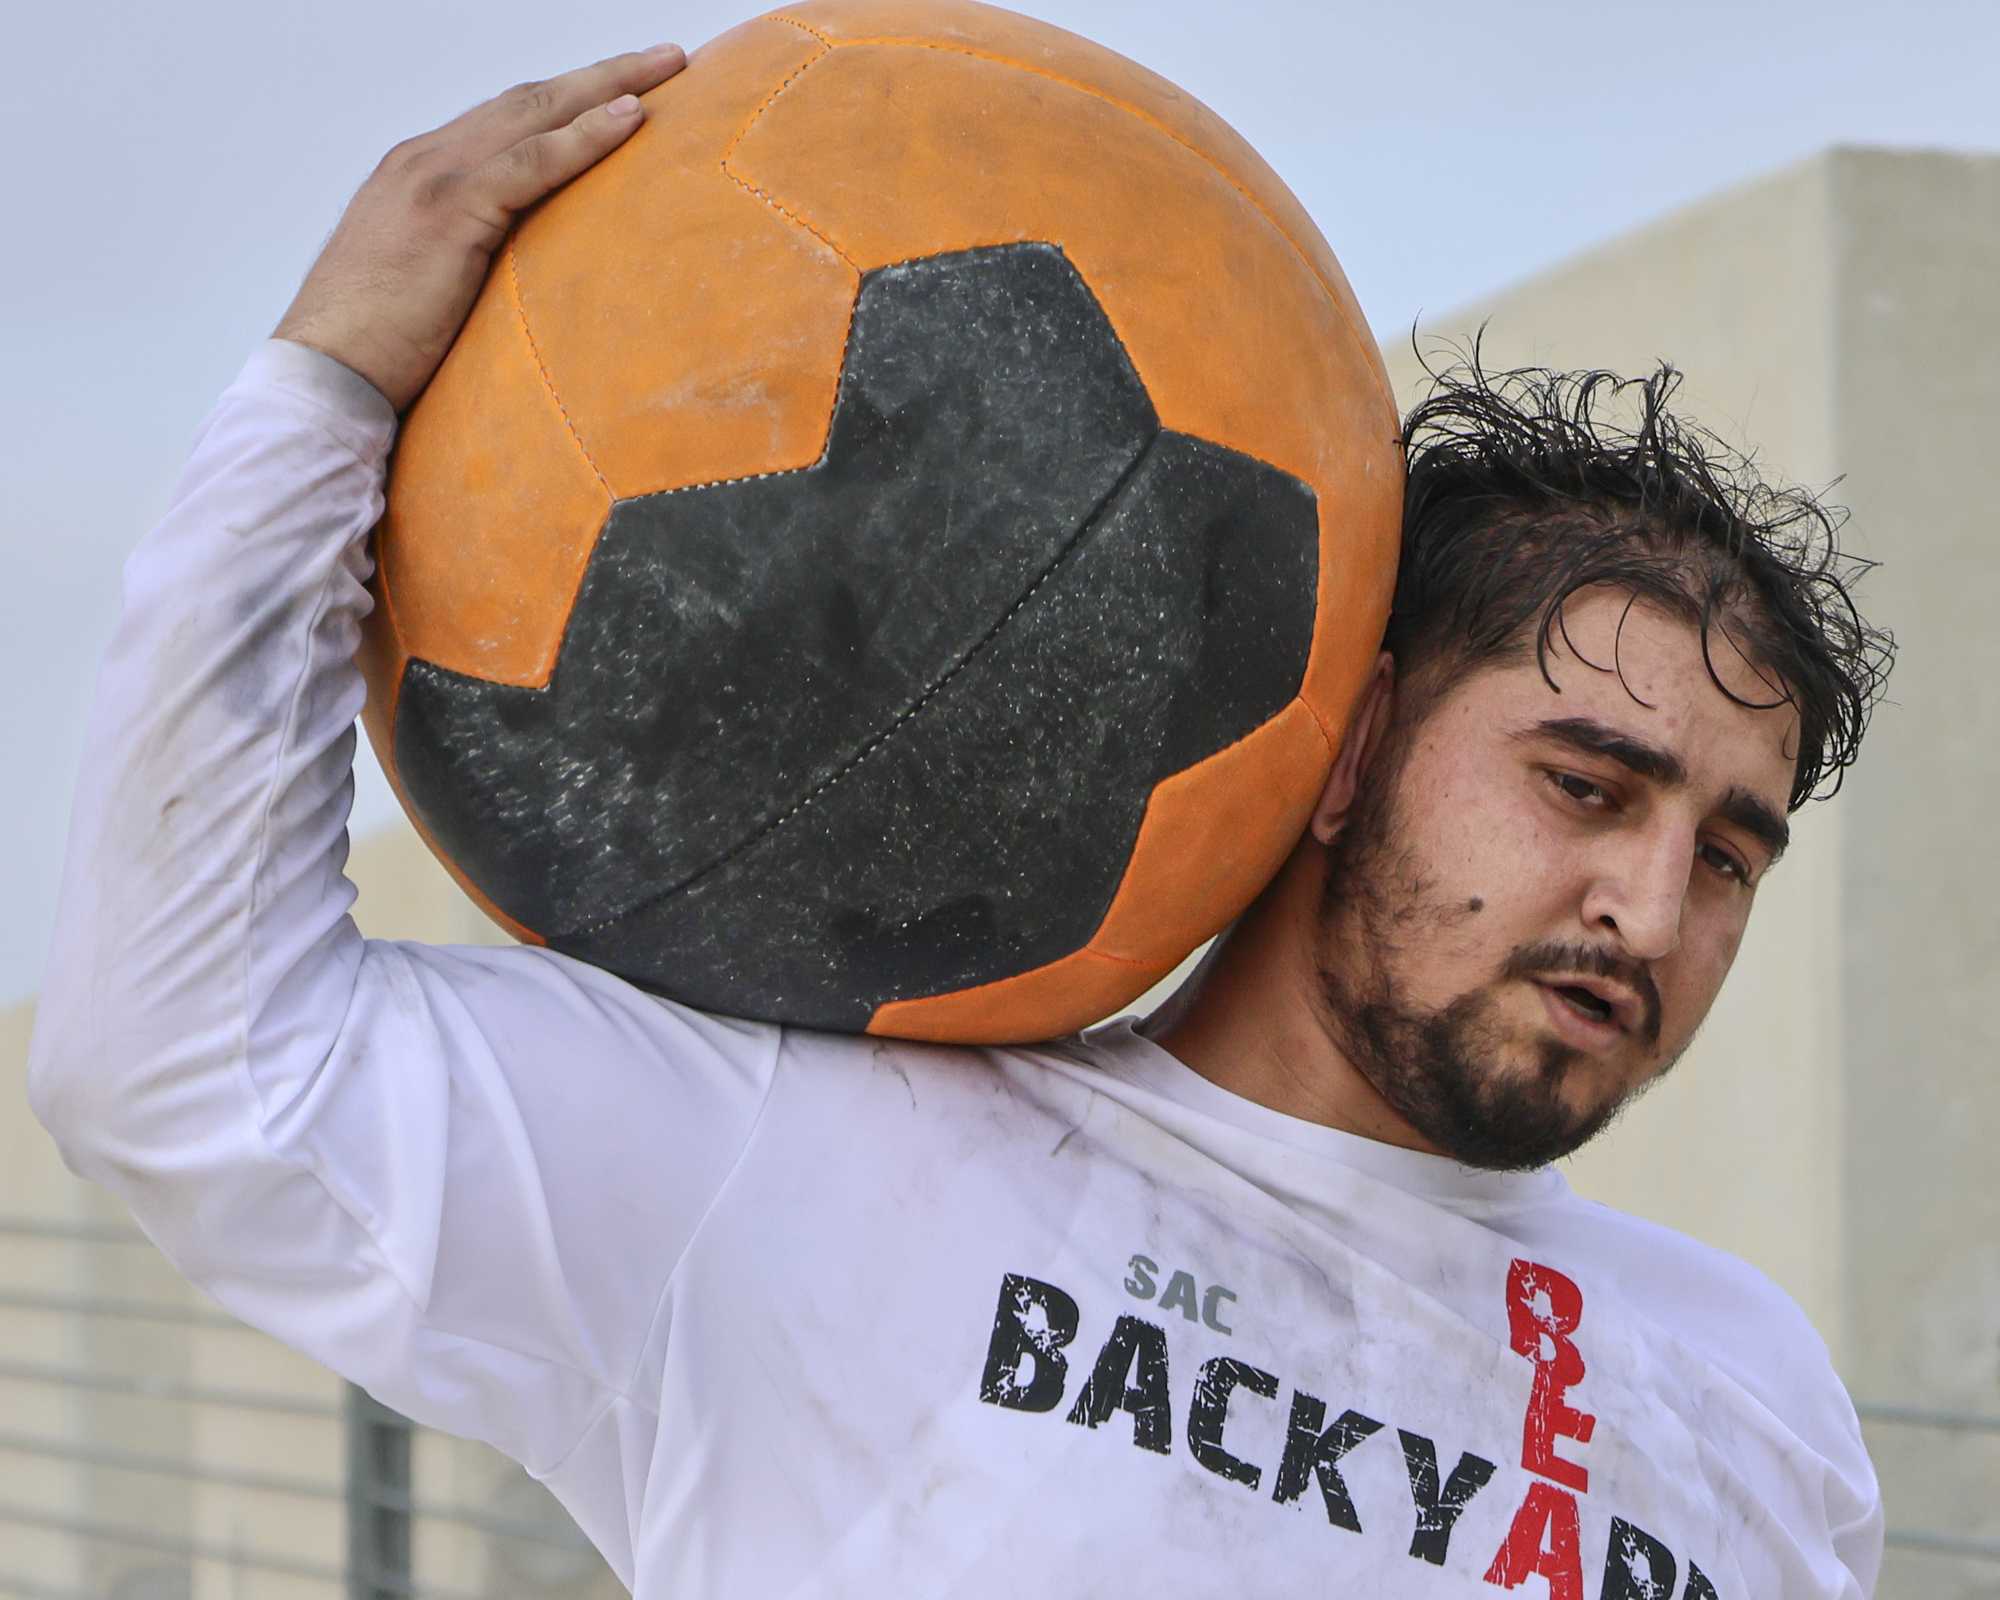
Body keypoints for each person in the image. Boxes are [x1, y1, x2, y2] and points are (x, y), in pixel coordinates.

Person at [28, 43, 1895, 1600]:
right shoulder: (796, 1168)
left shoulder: (1755, 1401)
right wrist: (324, 391)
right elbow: (187, 1060)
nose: (1651, 911)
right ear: (1355, 741)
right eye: (1585, 786)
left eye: (1728, 855)